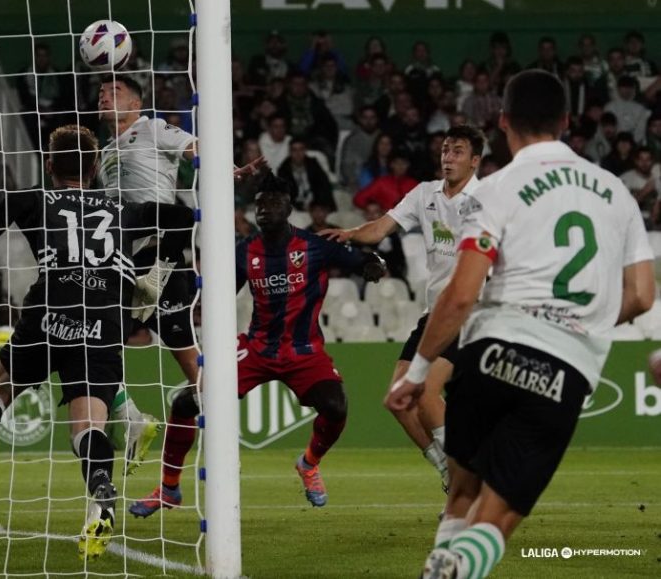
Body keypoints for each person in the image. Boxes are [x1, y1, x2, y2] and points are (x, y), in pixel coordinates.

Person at [385, 70, 655, 579]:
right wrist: (585, 321)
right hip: (563, 370)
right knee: (498, 516)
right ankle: (454, 568)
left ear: (504, 121)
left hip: (492, 354)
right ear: (568, 121)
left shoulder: (495, 189)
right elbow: (642, 295)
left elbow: (461, 294)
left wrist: (417, 373)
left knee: (462, 492)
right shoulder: (615, 192)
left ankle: (443, 562)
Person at [0, 125, 196, 562]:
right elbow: (180, 218)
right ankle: (101, 494)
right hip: (102, 319)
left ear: (48, 164)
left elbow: (5, 208)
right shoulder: (123, 207)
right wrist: (158, 273)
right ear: (96, 166)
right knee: (88, 426)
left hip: (48, 313)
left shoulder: (36, 200)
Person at [129, 174, 388, 517]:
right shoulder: (244, 250)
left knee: (336, 407)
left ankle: (309, 464)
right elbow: (218, 295)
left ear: (289, 207)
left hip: (304, 353)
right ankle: (169, 488)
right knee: (185, 401)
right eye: (260, 202)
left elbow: (367, 259)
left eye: (274, 201)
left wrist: (373, 265)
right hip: (256, 350)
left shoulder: (316, 245)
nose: (265, 208)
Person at [96, 75, 264, 470]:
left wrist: (231, 170)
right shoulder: (104, 152)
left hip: (162, 257)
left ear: (136, 104)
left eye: (114, 92)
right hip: (123, 260)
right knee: (94, 344)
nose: (104, 97)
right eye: (101, 92)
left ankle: (222, 444)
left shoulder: (152, 128)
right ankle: (133, 420)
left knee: (189, 360)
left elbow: (196, 148)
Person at [321, 125, 484, 494]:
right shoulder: (425, 194)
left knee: (424, 391)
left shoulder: (485, 201)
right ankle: (447, 468)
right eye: (445, 149)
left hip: (471, 312)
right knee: (397, 398)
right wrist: (347, 234)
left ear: (475, 161)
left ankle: (463, 479)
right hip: (436, 313)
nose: (448, 157)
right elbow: (380, 229)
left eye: (458, 151)